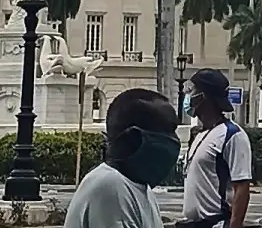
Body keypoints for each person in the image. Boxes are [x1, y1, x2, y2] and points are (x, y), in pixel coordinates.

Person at [65, 88, 179, 228]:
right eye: (169, 131)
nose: (175, 140)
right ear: (133, 138)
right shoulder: (111, 186)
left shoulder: (139, 187)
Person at [180, 69, 252, 228]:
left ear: (203, 97)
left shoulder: (232, 135)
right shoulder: (200, 134)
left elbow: (241, 187)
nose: (188, 95)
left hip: (216, 223)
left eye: (192, 91)